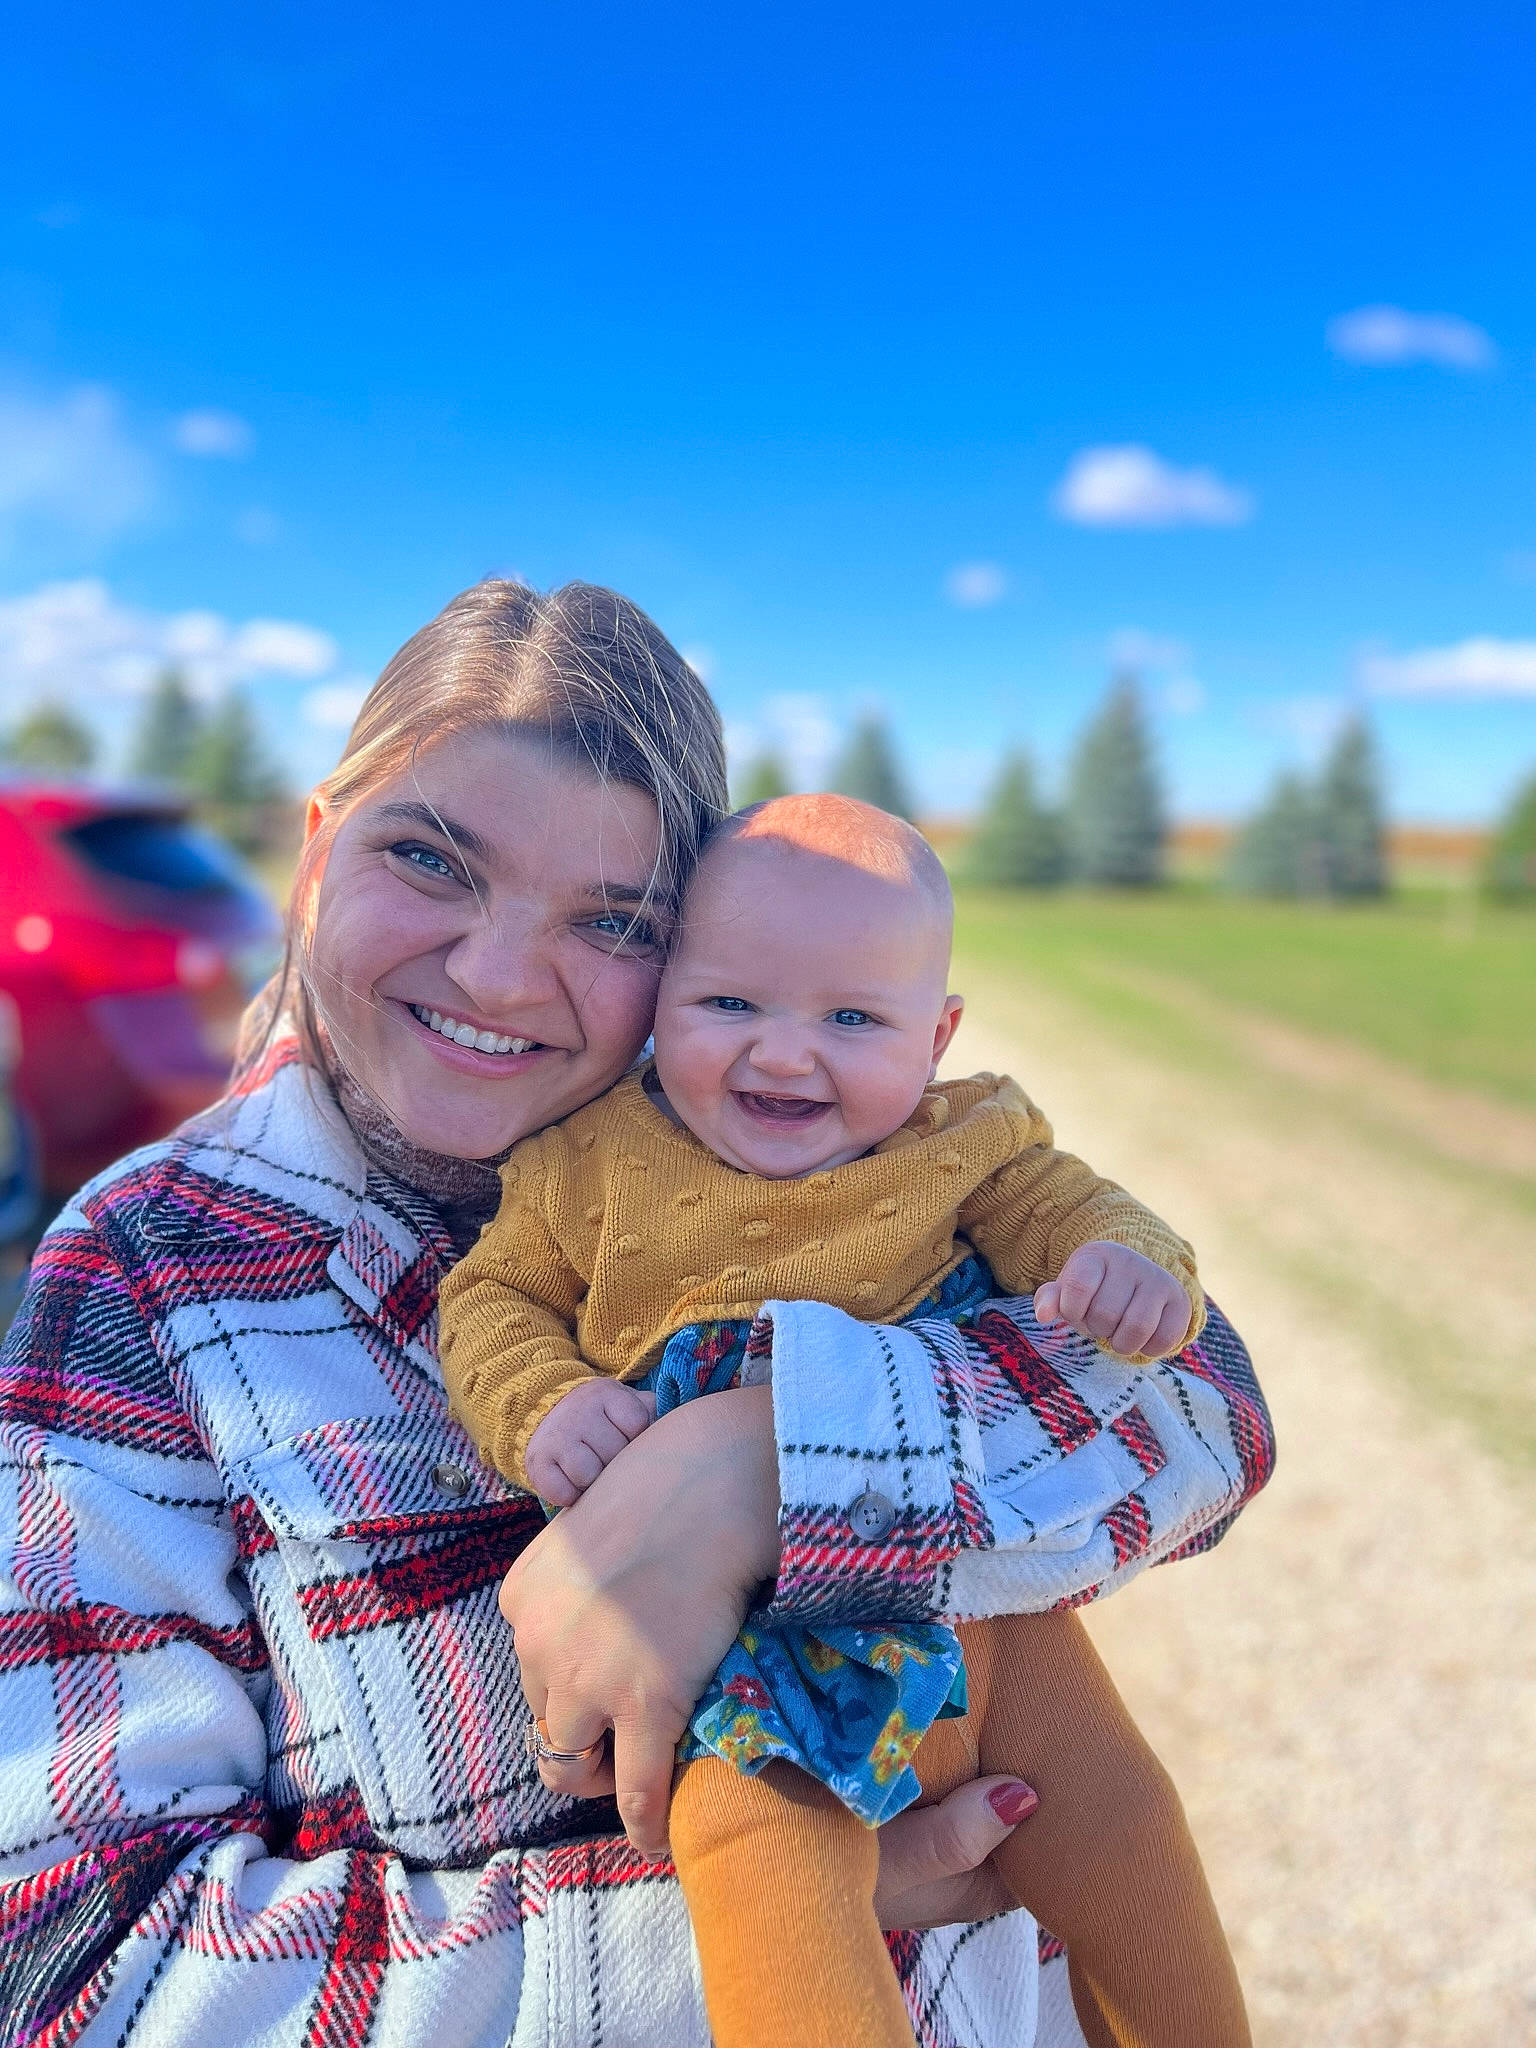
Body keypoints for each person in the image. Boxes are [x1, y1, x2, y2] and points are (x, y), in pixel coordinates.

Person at [0, 581, 1273, 2048]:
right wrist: (754, 1928)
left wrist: (763, 1468)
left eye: (610, 921)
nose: (495, 974)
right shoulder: (148, 1274)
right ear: (314, 851)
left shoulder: (767, 1127)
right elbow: (82, 1974)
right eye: (429, 859)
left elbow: (1212, 1416)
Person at [441, 792, 1247, 2048]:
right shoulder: (587, 1159)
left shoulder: (965, 1142)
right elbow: (490, 1296)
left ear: (938, 1034)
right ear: (661, 1000)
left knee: (1120, 1825)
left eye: (852, 1018)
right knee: (759, 1861)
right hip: (737, 1644)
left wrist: (1127, 1264)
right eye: (730, 1004)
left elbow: (1089, 1215)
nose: (781, 1053)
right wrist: (543, 1399)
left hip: (987, 1600)